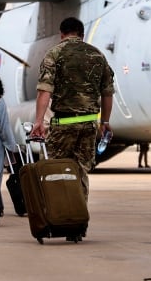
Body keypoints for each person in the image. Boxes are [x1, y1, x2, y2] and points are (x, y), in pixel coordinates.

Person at [30, 17, 114, 201]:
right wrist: (105, 122)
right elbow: (108, 93)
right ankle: (79, 217)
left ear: (61, 34)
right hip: (88, 124)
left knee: (57, 170)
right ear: (82, 35)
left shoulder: (54, 54)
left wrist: (39, 121)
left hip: (63, 124)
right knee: (81, 170)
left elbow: (45, 90)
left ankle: (60, 214)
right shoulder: (98, 56)